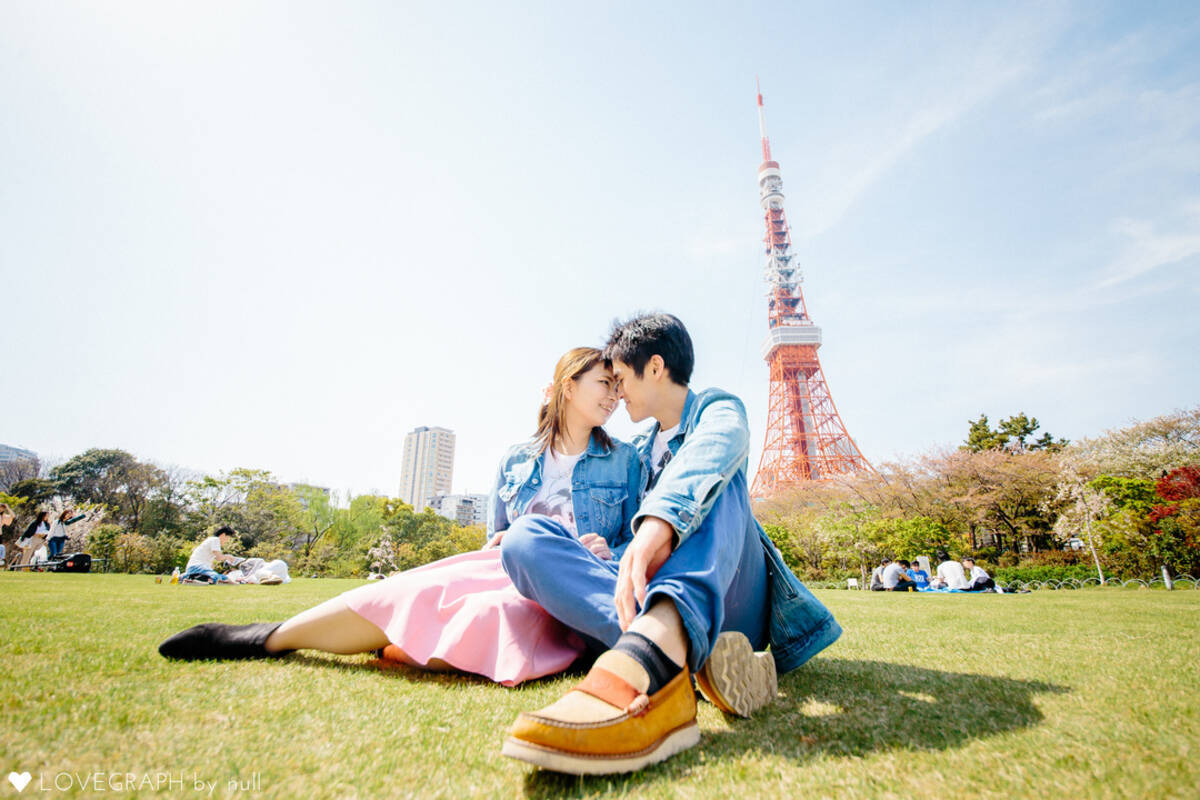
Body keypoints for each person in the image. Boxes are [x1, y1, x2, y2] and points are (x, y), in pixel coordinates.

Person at [159, 347, 646, 687]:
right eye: (604, 383)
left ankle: (403, 649)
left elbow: (635, 544)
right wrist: (499, 540)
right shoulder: (516, 459)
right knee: (412, 588)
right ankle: (267, 637)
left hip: (574, 579)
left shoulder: (626, 460)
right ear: (567, 385)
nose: (613, 397)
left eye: (615, 387)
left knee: (492, 617)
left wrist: (611, 550)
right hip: (500, 568)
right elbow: (495, 532)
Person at [500, 313, 842, 774]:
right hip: (648, 598)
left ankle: (651, 659)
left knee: (716, 486)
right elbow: (626, 548)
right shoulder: (631, 453)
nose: (617, 394)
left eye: (620, 379)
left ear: (655, 367)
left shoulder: (715, 411)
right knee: (524, 539)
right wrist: (610, 552)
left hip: (731, 598)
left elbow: (713, 452)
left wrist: (658, 524)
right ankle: (676, 653)